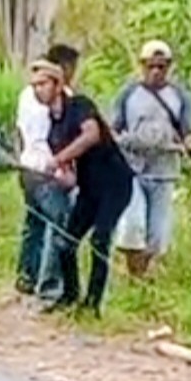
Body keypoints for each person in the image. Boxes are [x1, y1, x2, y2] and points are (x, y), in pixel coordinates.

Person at [30, 59, 133, 316]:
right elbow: (71, 178)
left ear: (58, 85)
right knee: (65, 242)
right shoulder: (53, 128)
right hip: (89, 188)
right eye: (34, 86)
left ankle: (93, 304)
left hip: (115, 183)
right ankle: (70, 295)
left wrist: (58, 159)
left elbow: (91, 135)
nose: (38, 90)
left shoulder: (79, 105)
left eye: (43, 84)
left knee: (100, 240)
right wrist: (54, 176)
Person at [112, 40, 191, 277]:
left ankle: (143, 273)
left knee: (158, 233)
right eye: (151, 66)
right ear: (142, 66)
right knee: (133, 224)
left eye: (161, 66)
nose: (156, 72)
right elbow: (113, 127)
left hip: (164, 170)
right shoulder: (128, 94)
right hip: (132, 169)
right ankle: (133, 269)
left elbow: (189, 129)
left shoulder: (179, 96)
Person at [15, 44, 80, 298]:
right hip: (48, 170)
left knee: (34, 223)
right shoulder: (61, 97)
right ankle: (50, 286)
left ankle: (27, 275)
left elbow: (20, 132)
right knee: (59, 224)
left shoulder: (26, 94)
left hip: (27, 166)